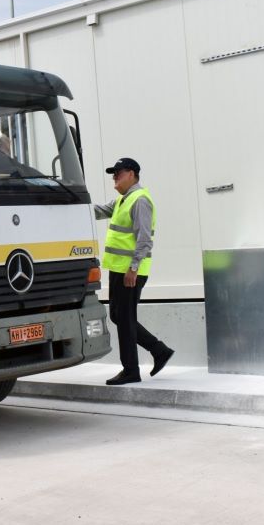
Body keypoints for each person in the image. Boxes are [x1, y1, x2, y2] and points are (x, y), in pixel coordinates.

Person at [94, 158, 174, 385]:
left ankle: (131, 370)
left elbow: (144, 239)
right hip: (120, 270)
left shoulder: (140, 200)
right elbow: (99, 211)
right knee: (118, 316)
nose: (114, 177)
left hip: (130, 271)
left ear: (132, 174)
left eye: (118, 172)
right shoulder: (123, 200)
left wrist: (134, 268)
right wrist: (72, 204)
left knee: (126, 319)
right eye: (113, 173)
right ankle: (159, 350)